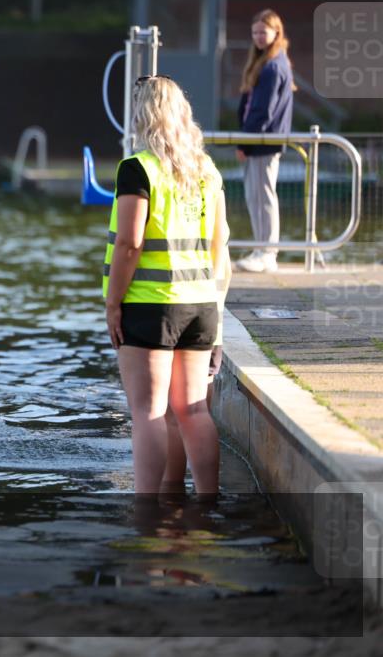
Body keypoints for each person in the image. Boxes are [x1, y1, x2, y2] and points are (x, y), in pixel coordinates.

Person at [103, 75, 230, 497]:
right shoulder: (206, 170)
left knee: (148, 411)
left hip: (151, 304)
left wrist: (113, 304)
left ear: (143, 116)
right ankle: (206, 501)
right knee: (193, 410)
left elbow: (129, 243)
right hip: (201, 304)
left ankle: (146, 510)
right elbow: (220, 247)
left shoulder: (137, 168)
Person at [161, 251, 232, 494]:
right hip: (210, 321)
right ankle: (207, 502)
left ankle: (171, 496)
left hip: (175, 313)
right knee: (199, 412)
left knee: (172, 415)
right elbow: (226, 267)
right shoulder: (213, 214)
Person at [235, 9, 295, 274]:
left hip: (262, 142)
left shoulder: (273, 66)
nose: (259, 37)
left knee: (262, 196)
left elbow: (263, 110)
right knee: (255, 195)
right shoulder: (266, 62)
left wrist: (245, 143)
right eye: (255, 32)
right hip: (258, 141)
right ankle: (262, 249)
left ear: (276, 32)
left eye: (264, 31)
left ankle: (266, 253)